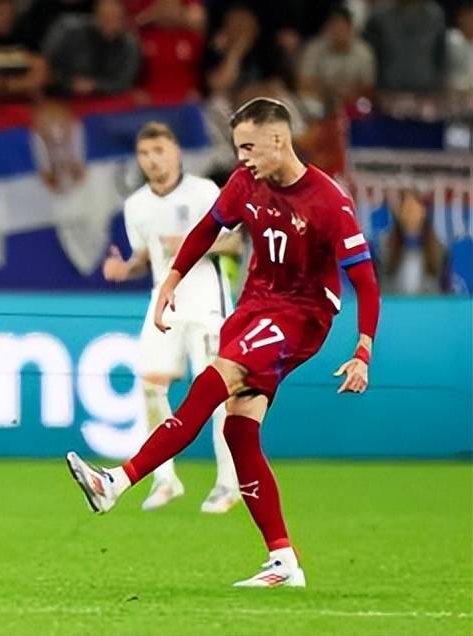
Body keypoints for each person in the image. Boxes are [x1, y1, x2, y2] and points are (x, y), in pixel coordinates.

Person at [67, 97, 381, 588]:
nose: (242, 157)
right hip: (253, 306)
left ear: (279, 140)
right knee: (238, 429)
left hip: (301, 316)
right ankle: (283, 561)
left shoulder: (328, 200)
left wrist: (363, 349)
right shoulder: (244, 183)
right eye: (238, 148)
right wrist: (171, 281)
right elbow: (206, 230)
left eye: (249, 147)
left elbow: (364, 279)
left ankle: (116, 481)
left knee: (212, 381)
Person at [101, 122, 240, 513]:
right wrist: (125, 268)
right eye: (144, 154)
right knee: (150, 387)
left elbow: (234, 242)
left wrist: (194, 244)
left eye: (159, 151)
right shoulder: (136, 206)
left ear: (176, 152)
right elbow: (146, 256)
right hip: (164, 304)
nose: (152, 160)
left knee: (218, 395)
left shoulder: (204, 192)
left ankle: (228, 484)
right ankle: (165, 478)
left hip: (207, 304)